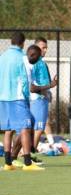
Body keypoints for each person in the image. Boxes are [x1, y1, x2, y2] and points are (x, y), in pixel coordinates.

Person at [0, 32, 44, 171]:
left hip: (3, 97)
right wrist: (26, 96)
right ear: (23, 43)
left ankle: (8, 163)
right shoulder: (22, 58)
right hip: (18, 97)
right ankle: (27, 163)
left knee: (8, 130)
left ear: (11, 41)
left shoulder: (2, 57)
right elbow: (25, 80)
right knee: (25, 128)